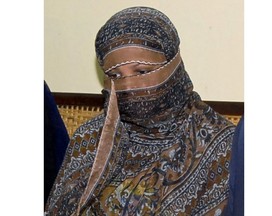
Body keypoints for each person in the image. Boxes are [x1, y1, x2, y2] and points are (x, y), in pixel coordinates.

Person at [45, 6, 236, 215]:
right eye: (115, 76)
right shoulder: (90, 138)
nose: (128, 86)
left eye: (142, 71)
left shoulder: (219, 144)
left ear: (173, 66)